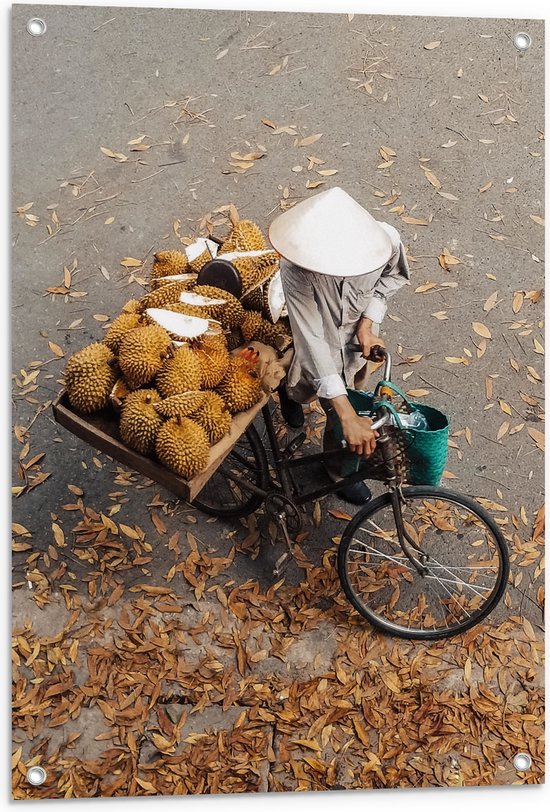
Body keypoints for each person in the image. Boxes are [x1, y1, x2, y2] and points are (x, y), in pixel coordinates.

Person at [268, 186, 410, 505]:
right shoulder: (296, 267)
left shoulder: (384, 241)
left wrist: (367, 325)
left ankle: (335, 472)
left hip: (352, 350)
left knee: (351, 406)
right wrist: (345, 414)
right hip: (318, 345)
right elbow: (311, 339)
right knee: (313, 391)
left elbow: (390, 279)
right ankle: (289, 396)